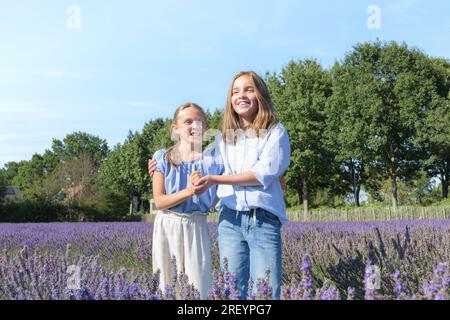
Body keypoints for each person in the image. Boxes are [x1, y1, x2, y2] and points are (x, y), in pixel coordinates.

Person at [148, 71, 291, 299]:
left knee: (265, 288)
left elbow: (261, 173)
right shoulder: (224, 138)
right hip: (230, 220)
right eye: (235, 91)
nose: (241, 96)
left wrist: (215, 180)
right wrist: (160, 163)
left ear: (261, 95)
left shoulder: (275, 132)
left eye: (249, 89)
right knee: (233, 290)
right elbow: (198, 161)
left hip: (262, 218)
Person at [151, 102, 224, 299]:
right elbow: (160, 201)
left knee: (199, 285)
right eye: (188, 121)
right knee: (166, 285)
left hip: (196, 225)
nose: (195, 126)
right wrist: (190, 191)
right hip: (167, 224)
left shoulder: (214, 160)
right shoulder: (163, 157)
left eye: (200, 121)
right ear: (175, 128)